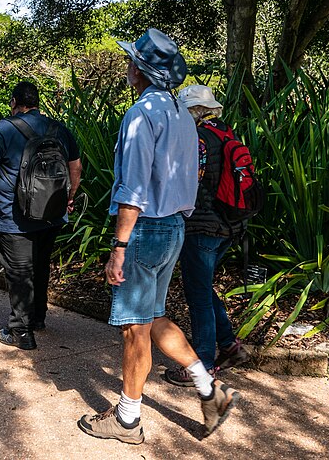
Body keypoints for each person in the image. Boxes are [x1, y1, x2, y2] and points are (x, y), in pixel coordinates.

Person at [77, 29, 240, 444]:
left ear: (143, 70)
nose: (127, 66)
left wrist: (119, 247)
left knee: (134, 327)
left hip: (145, 229)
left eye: (132, 60)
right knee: (151, 318)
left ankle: (127, 420)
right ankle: (209, 389)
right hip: (174, 229)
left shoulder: (141, 114)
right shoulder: (183, 115)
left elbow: (132, 188)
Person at [0, 81, 82, 350]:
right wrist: (68, 197)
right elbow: (76, 167)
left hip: (15, 215)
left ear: (14, 102)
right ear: (36, 102)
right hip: (51, 213)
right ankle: (37, 318)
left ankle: (20, 331)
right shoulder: (58, 129)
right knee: (40, 264)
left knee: (19, 270)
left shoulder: (3, 130)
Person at [163, 85, 249, 386]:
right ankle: (228, 345)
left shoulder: (197, 139)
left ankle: (203, 364)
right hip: (231, 224)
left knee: (197, 295)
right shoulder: (229, 133)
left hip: (203, 226)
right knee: (203, 287)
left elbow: (190, 182)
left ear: (192, 112)